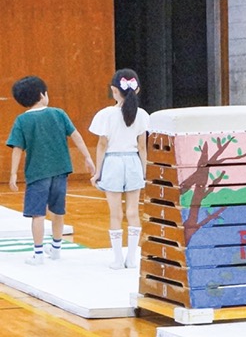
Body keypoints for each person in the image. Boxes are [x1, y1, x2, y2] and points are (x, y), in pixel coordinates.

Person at [6, 76, 95, 265]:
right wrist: (87, 157)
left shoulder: (22, 120)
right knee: (58, 210)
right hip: (61, 170)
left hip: (37, 173)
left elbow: (17, 148)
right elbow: (76, 135)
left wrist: (13, 173)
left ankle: (38, 254)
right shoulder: (59, 113)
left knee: (38, 213)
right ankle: (56, 249)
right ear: (42, 95)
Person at [89, 69, 150, 269]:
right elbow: (142, 146)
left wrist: (98, 172)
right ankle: (132, 258)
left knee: (115, 213)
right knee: (133, 211)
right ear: (137, 89)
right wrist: (144, 171)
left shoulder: (105, 115)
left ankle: (117, 259)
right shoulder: (142, 115)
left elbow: (101, 145)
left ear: (114, 90)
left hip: (112, 163)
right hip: (133, 162)